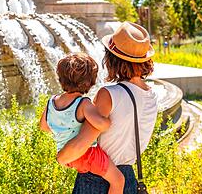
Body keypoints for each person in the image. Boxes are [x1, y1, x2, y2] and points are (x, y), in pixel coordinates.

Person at [57, 22, 158, 194]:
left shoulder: (109, 95)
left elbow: (82, 143)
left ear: (112, 58)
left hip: (97, 179)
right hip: (128, 178)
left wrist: (61, 157)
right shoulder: (152, 95)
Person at [39, 53, 125, 194]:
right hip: (88, 154)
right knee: (118, 180)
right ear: (90, 82)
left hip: (68, 156)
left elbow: (44, 127)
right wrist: (107, 118)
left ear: (60, 79)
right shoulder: (83, 103)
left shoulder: (51, 101)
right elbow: (103, 125)